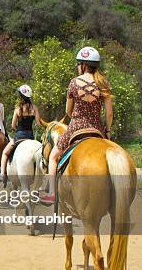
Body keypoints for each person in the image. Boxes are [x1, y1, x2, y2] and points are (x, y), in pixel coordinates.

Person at [40, 47, 113, 204]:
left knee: (53, 157)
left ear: (83, 65)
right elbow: (109, 114)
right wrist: (107, 131)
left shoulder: (73, 83)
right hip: (97, 129)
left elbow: (68, 111)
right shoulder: (103, 83)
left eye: (78, 64)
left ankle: (51, 193)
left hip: (75, 128)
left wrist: (78, 119)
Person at [0, 84, 42, 182]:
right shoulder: (35, 108)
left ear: (21, 96)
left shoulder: (17, 109)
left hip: (19, 136)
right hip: (30, 136)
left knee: (5, 153)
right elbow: (38, 122)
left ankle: (2, 174)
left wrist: (15, 128)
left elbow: (13, 125)